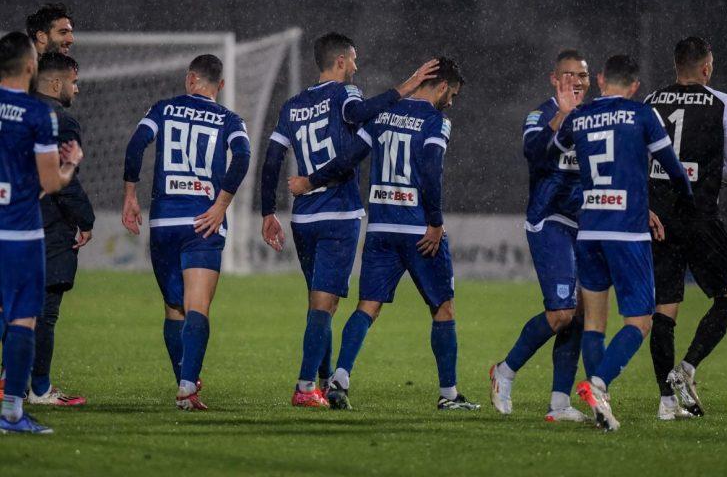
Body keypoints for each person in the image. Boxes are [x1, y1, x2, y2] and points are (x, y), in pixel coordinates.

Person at [289, 57, 480, 411]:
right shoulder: (436, 121)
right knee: (443, 308)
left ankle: (340, 379)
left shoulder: (382, 115)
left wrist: (310, 181)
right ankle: (449, 394)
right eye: (451, 94)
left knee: (367, 307)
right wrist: (435, 221)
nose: (451, 102)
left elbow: (347, 159)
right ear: (441, 86)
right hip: (419, 230)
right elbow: (431, 170)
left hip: (380, 229)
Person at [260, 32, 438, 408]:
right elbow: (358, 114)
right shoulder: (346, 94)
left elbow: (273, 158)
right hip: (338, 214)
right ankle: (305, 387)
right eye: (353, 59)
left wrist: (267, 210)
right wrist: (406, 87)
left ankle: (324, 381)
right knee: (323, 305)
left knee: (320, 303)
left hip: (303, 218)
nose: (356, 66)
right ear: (340, 61)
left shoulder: (292, 106)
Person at [550, 55, 693, 431]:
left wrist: (565, 113)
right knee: (640, 322)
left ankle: (600, 403)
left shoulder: (580, 116)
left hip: (589, 232)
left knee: (594, 321)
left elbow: (554, 150)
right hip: (627, 234)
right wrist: (688, 201)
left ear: (599, 79)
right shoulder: (642, 114)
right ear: (635, 86)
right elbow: (673, 168)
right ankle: (598, 385)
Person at [122, 54, 250, 410]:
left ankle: (184, 378)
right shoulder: (229, 119)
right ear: (220, 85)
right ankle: (187, 388)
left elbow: (135, 145)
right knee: (198, 306)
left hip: (164, 222)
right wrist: (221, 204)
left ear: (190, 79)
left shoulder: (162, 109)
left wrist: (130, 195)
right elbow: (242, 156)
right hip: (202, 221)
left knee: (173, 308)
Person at [645, 36, 727, 419]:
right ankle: (686, 368)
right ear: (705, 68)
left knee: (665, 309)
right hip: (700, 215)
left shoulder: (651, 101)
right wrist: (708, 180)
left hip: (660, 219)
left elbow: (638, 160)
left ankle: (666, 403)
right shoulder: (724, 103)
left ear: (676, 66)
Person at [489, 50, 589, 422]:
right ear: (554, 79)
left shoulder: (593, 117)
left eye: (582, 75)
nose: (576, 81)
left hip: (586, 225)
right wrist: (562, 115)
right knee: (561, 312)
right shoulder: (541, 114)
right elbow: (534, 153)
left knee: (579, 314)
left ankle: (559, 404)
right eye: (569, 75)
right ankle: (505, 370)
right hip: (550, 220)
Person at [0, 32, 83, 434]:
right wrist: (71, 164)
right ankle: (12, 413)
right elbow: (51, 183)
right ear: (31, 66)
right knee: (22, 320)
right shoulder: (37, 114)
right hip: (19, 233)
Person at [25, 52, 93, 407]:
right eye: (73, 82)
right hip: (47, 227)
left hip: (12, 221)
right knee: (45, 313)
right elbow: (64, 183)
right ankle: (39, 389)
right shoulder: (60, 121)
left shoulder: (14, 112)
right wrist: (86, 219)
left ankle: (12, 383)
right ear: (55, 83)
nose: (76, 89)